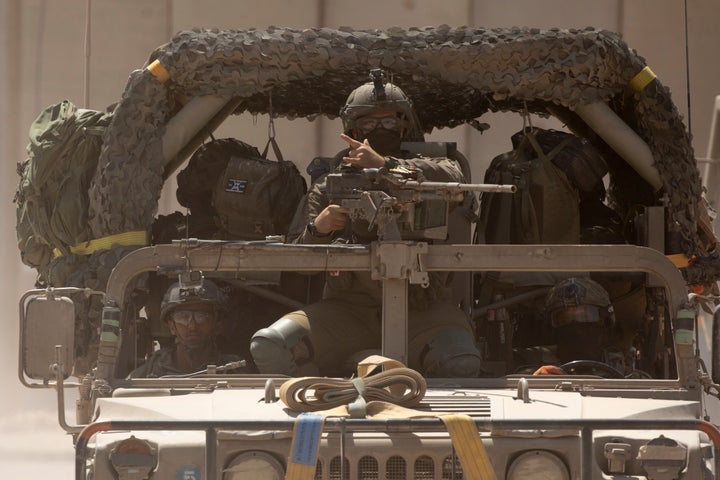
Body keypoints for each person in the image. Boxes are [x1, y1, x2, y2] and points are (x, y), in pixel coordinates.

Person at [250, 70, 483, 378]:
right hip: (346, 313)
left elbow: (455, 180)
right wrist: (319, 229)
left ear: (403, 128)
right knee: (270, 346)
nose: (380, 129)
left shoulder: (433, 169)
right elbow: (298, 262)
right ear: (354, 131)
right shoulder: (329, 185)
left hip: (425, 313)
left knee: (461, 363)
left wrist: (386, 166)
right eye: (370, 123)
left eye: (388, 122)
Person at [128, 277, 242, 378]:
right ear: (172, 326)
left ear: (218, 324)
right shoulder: (148, 373)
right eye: (183, 317)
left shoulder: (235, 370)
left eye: (201, 316)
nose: (192, 326)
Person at [533, 276, 625, 376]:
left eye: (586, 316)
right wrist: (536, 383)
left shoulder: (622, 369)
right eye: (564, 319)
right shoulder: (536, 366)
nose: (577, 329)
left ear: (605, 322)